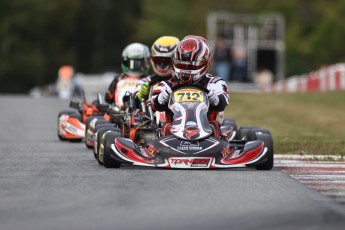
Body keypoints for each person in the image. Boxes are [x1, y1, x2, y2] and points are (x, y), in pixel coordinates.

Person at [152, 35, 229, 137]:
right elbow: (155, 106)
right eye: (182, 64)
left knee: (214, 126)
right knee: (166, 127)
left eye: (191, 65)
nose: (186, 69)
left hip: (207, 132)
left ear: (204, 62)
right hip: (173, 133)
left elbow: (222, 104)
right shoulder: (167, 84)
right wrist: (164, 95)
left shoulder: (214, 83)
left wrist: (211, 95)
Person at [134, 36, 180, 107]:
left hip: (178, 115)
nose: (162, 65)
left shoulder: (182, 81)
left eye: (166, 61)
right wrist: (140, 95)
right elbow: (132, 105)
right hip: (152, 117)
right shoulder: (145, 81)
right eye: (158, 60)